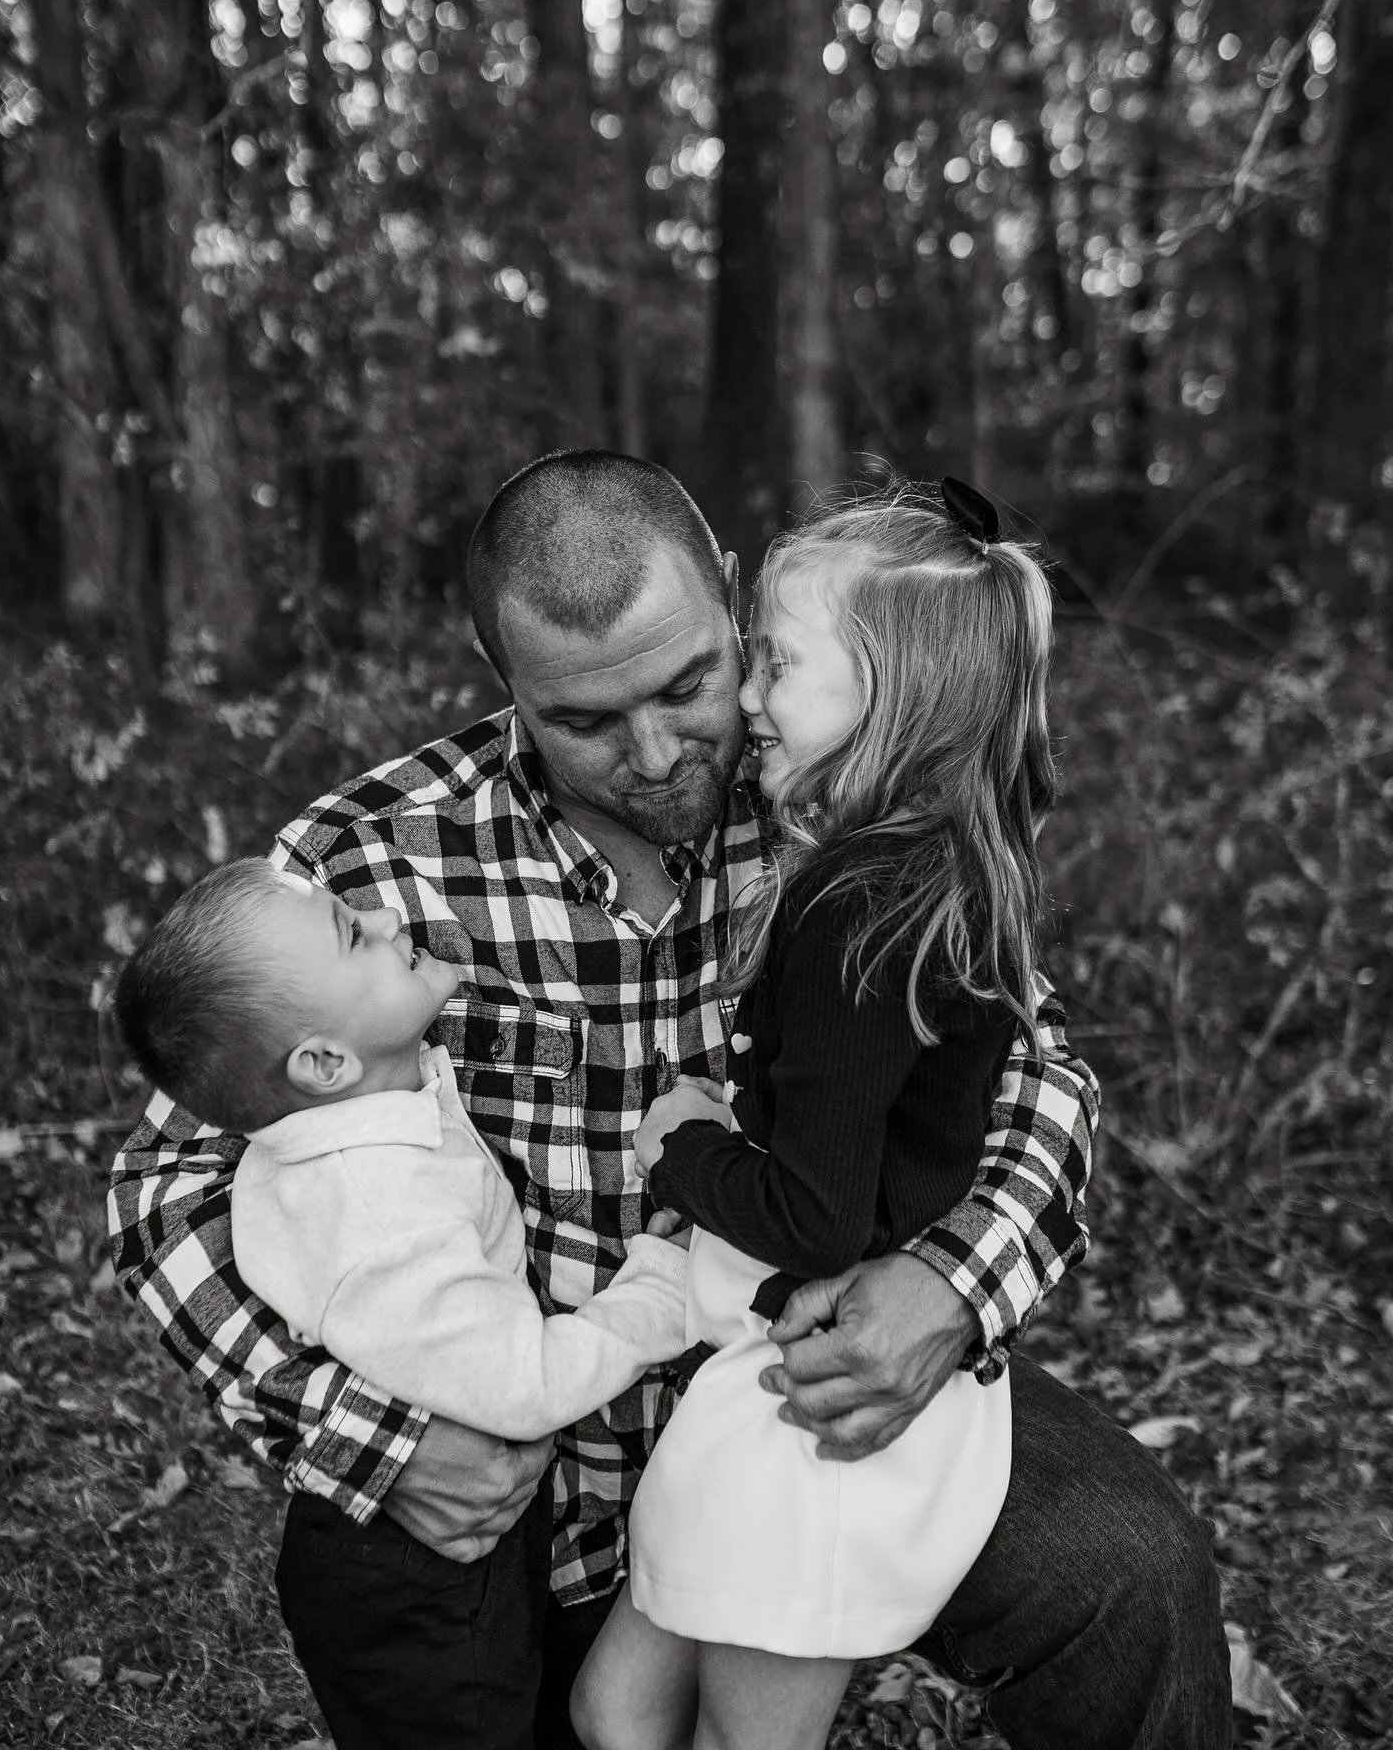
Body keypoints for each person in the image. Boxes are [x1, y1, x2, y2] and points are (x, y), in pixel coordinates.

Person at [108, 450, 1231, 1750]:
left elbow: (1038, 1068)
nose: (655, 753)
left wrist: (956, 1283)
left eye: (690, 682)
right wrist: (378, 1439)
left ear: (734, 601)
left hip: (802, 1391)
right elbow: (165, 1194)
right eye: (584, 720)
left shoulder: (849, 782)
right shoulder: (365, 865)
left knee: (1132, 1570)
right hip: (521, 1454)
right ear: (500, 677)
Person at [571, 486, 1048, 1750]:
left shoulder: (864, 909)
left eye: (781, 662)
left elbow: (819, 1215)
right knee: (613, 1708)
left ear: (891, 699)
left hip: (818, 1412)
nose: (754, 699)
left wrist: (685, 1146)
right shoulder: (940, 864)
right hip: (768, 1378)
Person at [110, 856, 692, 1748]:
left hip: (389, 1552)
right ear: (324, 1060)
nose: (385, 918)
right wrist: (657, 1288)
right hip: (425, 1574)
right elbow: (525, 1382)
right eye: (354, 935)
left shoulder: (334, 1129)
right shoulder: (382, 1207)